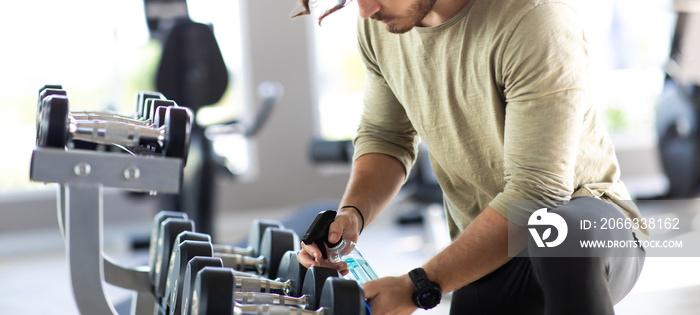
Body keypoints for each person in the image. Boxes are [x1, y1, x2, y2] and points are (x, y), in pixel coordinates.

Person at [292, 0, 647, 314]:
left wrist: (416, 285)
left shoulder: (535, 19)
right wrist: (352, 215)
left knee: (561, 237)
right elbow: (386, 139)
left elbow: (537, 193)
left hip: (590, 226)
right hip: (492, 244)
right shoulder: (381, 26)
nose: (365, 9)